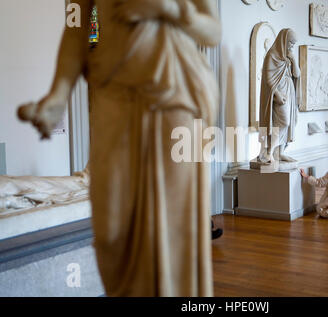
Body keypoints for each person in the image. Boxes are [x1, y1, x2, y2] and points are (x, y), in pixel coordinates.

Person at [17, 0, 221, 297]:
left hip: (173, 95)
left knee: (173, 229)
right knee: (111, 228)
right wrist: (58, 95)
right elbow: (76, 28)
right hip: (112, 94)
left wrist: (169, 9)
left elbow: (212, 31)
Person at [258, 28, 300, 163]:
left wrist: (293, 60)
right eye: (290, 43)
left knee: (289, 124)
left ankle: (280, 153)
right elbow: (268, 78)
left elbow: (297, 74)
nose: (291, 47)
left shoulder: (288, 57)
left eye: (293, 44)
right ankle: (269, 151)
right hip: (279, 93)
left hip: (289, 91)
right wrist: (276, 94)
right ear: (283, 41)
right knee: (283, 121)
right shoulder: (272, 55)